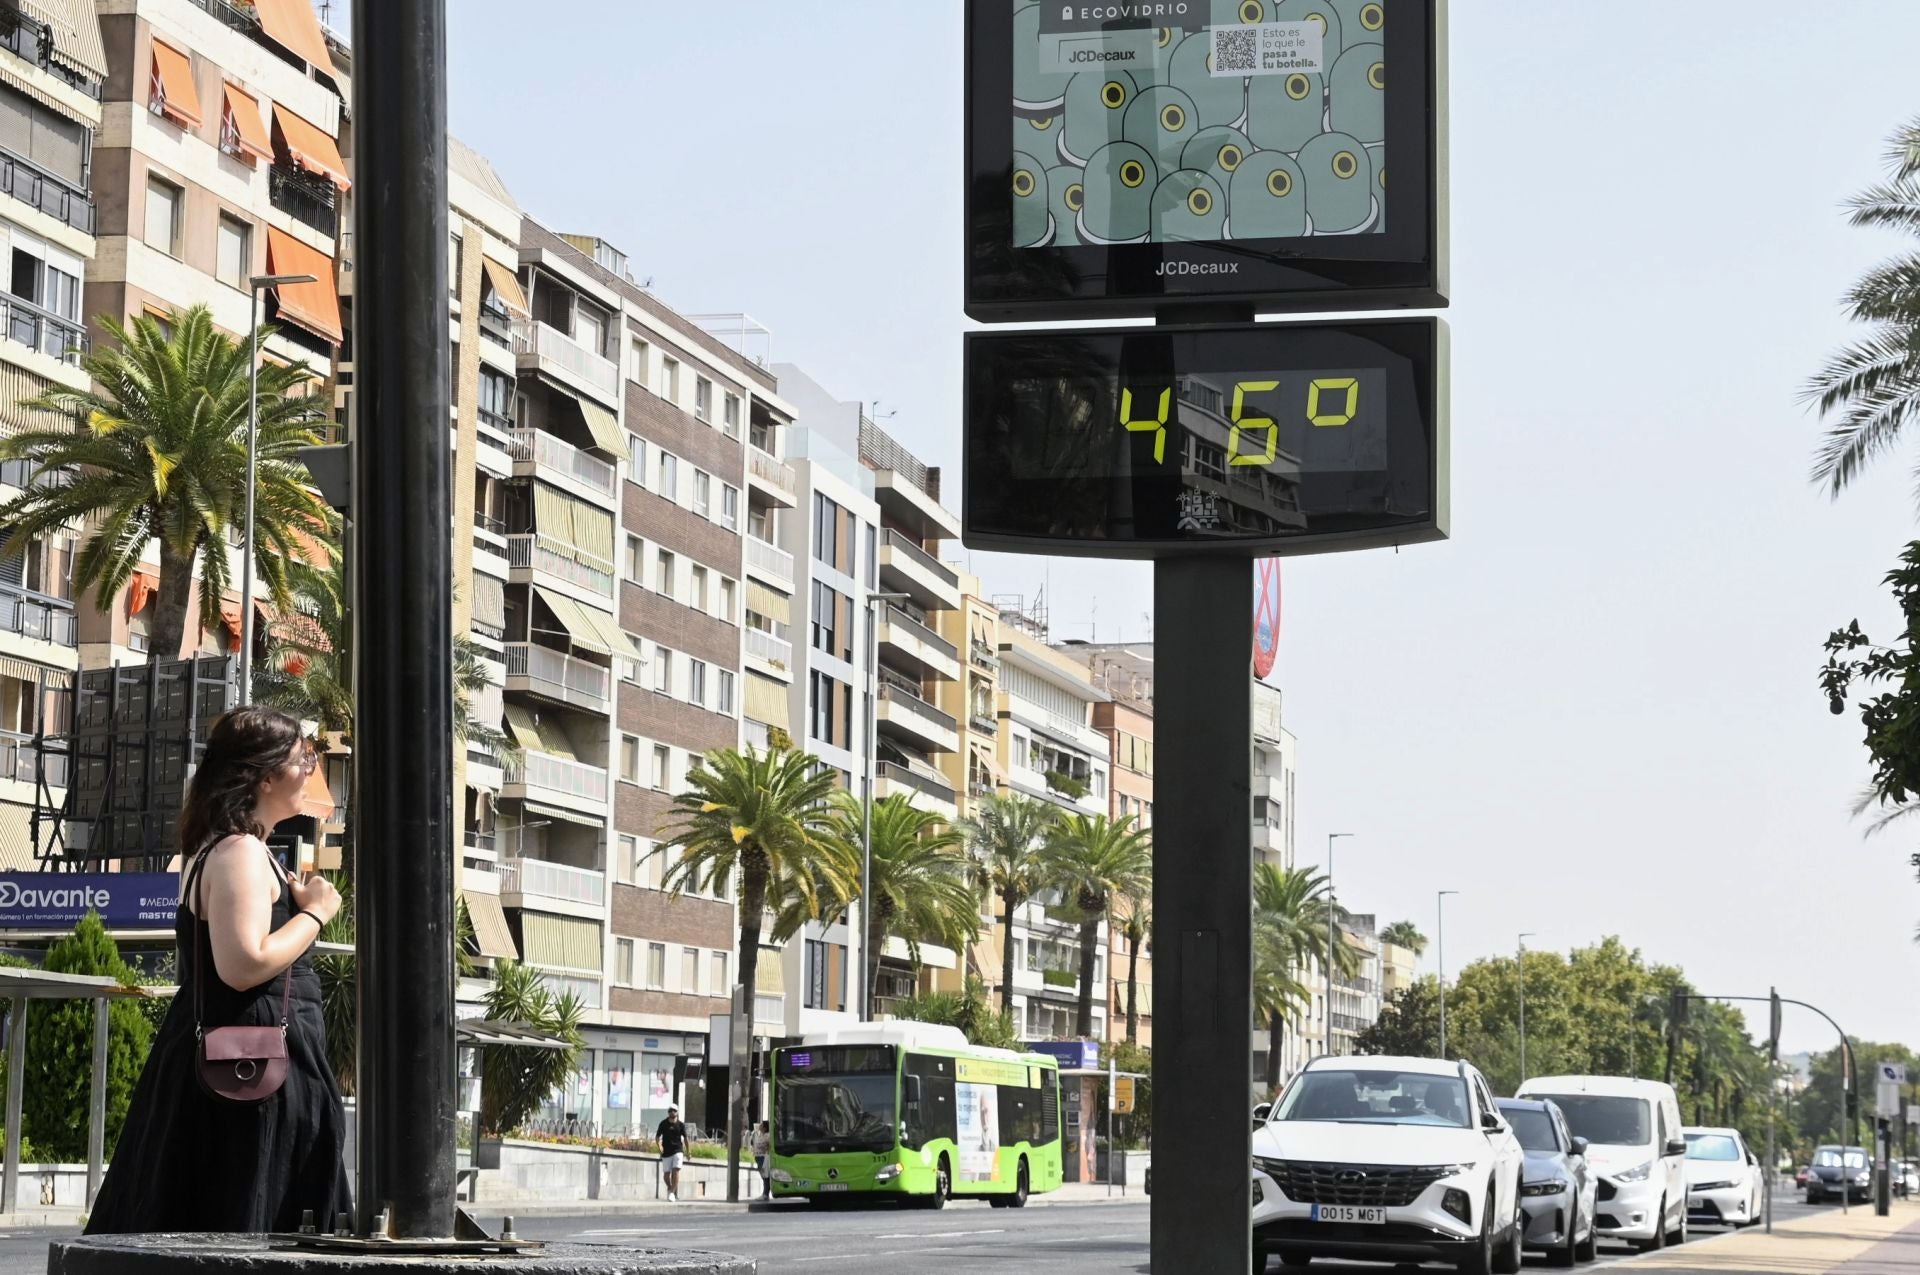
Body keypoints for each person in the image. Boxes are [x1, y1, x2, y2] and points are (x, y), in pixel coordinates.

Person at [86, 707, 352, 1234]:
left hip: (244, 1062)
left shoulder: (240, 849)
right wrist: (318, 914)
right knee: (249, 1219)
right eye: (304, 759)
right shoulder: (239, 852)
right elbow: (244, 964)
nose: (309, 771)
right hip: (251, 1071)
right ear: (265, 774)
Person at [657, 1105, 688, 1201]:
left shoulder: (681, 1125)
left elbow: (686, 1139)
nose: (672, 1112)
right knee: (666, 1175)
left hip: (678, 1150)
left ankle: (671, 1192)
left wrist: (688, 1151)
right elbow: (657, 1137)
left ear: (677, 1112)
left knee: (676, 1171)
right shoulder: (663, 1124)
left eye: (674, 1111)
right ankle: (671, 1189)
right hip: (666, 1152)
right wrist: (660, 1147)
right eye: (670, 1111)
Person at [751, 1120, 772, 1199]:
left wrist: (765, 1148)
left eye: (761, 1125)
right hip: (758, 1156)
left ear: (765, 1127)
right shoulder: (760, 1135)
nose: (759, 1126)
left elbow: (768, 1146)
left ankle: (765, 1194)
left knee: (765, 1176)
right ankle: (765, 1193)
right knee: (763, 1175)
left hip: (763, 1157)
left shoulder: (767, 1135)